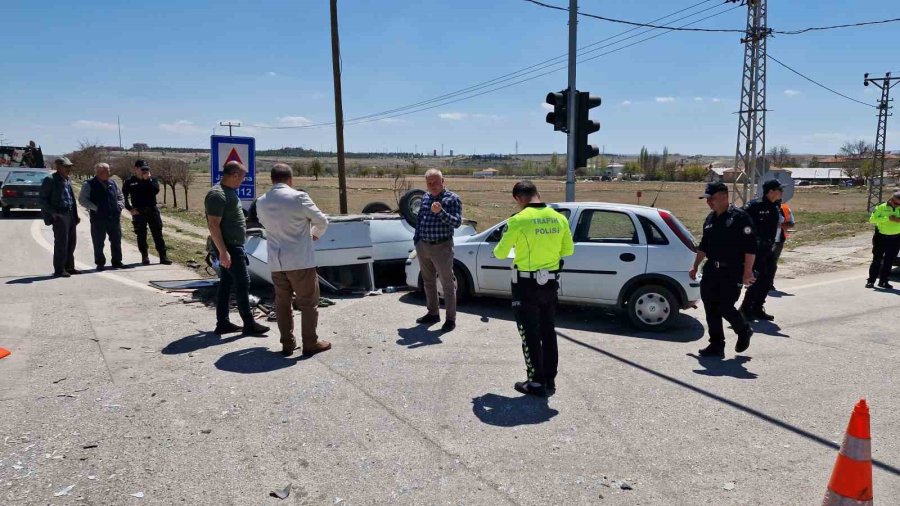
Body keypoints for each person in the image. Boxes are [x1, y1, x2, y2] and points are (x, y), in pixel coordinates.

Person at [493, 180, 574, 397]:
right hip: (550, 283)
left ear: (518, 198)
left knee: (529, 333)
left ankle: (536, 382)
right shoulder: (559, 218)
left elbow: (500, 253)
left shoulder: (518, 220)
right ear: (538, 194)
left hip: (525, 284)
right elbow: (568, 250)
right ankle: (549, 378)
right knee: (548, 330)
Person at [255, 164, 331, 356]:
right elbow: (322, 221)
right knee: (308, 303)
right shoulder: (299, 197)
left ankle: (287, 343)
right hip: (299, 260)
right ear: (290, 179)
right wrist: (314, 234)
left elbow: (264, 224)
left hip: (276, 261)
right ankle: (310, 342)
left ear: (272, 179)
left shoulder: (261, 201)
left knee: (282, 303)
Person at [690, 182, 756, 358]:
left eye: (711, 198)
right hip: (712, 269)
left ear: (724, 197)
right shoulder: (710, 219)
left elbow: (750, 248)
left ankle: (743, 330)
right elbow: (704, 245)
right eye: (707, 199)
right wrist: (695, 266)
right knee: (710, 307)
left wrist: (747, 272)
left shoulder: (740, 218)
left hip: (732, 270)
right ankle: (716, 344)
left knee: (725, 307)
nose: (708, 202)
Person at [205, 160, 269, 336]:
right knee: (243, 283)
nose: (242, 181)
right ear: (234, 175)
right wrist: (223, 252)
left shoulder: (229, 192)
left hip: (233, 245)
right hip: (230, 247)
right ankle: (249, 324)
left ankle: (223, 323)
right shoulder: (217, 195)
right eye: (242, 177)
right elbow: (213, 226)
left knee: (226, 283)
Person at [412, 169, 463, 331]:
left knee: (447, 284)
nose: (432, 185)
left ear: (443, 181)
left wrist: (440, 212)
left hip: (442, 247)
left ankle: (450, 319)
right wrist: (417, 240)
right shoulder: (425, 197)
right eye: (429, 183)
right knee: (428, 282)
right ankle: (433, 313)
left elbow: (457, 222)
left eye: (436, 182)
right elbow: (420, 220)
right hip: (423, 245)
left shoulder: (452, 198)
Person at [739, 179, 783, 321]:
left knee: (767, 280)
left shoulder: (775, 206)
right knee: (756, 279)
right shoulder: (754, 206)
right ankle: (745, 309)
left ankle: (757, 307)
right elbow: (740, 221)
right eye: (779, 189)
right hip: (755, 250)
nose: (782, 192)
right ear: (771, 191)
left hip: (769, 249)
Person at [78, 163, 125, 271]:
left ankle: (117, 261)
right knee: (98, 241)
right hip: (98, 218)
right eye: (107, 171)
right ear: (99, 173)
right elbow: (82, 199)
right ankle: (100, 263)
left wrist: (120, 206)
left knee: (116, 240)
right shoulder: (89, 184)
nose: (109, 173)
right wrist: (95, 208)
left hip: (114, 217)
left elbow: (120, 196)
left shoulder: (113, 183)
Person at [123, 160, 171, 265]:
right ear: (136, 169)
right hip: (138, 211)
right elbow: (124, 196)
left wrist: (147, 180)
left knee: (157, 233)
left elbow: (155, 191)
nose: (145, 171)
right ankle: (144, 256)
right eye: (142, 169)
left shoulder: (153, 179)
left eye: (146, 169)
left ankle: (163, 256)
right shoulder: (130, 181)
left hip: (152, 210)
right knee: (141, 234)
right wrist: (130, 209)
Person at [39, 157, 81, 277]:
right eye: (66, 167)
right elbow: (43, 200)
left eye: (70, 166)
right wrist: (53, 213)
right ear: (58, 167)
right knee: (61, 243)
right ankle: (59, 269)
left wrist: (75, 215)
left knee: (71, 242)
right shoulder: (50, 180)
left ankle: (69, 267)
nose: (69, 169)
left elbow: (71, 198)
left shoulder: (67, 179)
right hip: (60, 214)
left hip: (70, 214)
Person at [866, 189, 900, 289]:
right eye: (896, 203)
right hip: (881, 237)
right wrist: (887, 218)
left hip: (896, 238)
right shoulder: (881, 207)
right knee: (877, 260)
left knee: (889, 261)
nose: (898, 206)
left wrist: (897, 220)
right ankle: (871, 281)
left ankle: (884, 281)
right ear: (891, 200)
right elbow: (872, 219)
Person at [769, 200, 795, 292]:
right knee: (760, 262)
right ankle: (755, 283)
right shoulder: (762, 208)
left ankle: (769, 283)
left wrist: (780, 225)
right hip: (765, 241)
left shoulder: (785, 209)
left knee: (773, 263)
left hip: (779, 241)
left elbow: (792, 223)